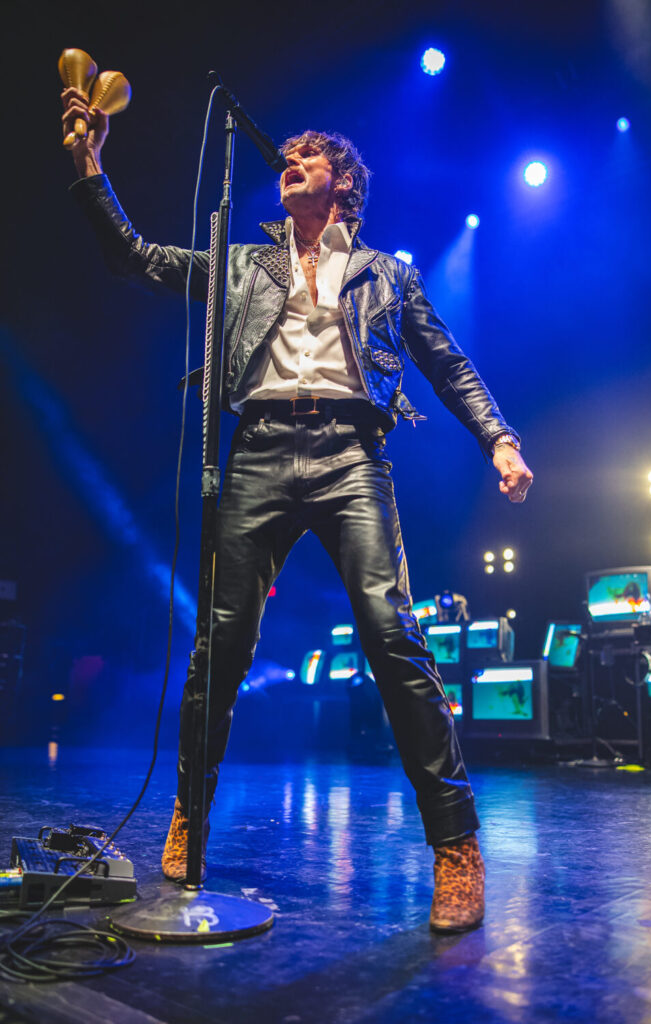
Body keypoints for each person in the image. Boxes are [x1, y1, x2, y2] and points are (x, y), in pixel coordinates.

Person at [61, 86, 533, 933]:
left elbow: (446, 362)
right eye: (289, 154)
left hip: (351, 454)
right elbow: (136, 259)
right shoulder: (243, 262)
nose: (291, 160)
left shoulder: (386, 274)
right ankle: (189, 814)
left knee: (393, 635)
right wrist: (90, 167)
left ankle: (456, 845)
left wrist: (497, 437)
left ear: (343, 182)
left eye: (309, 154)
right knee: (220, 648)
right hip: (260, 450)